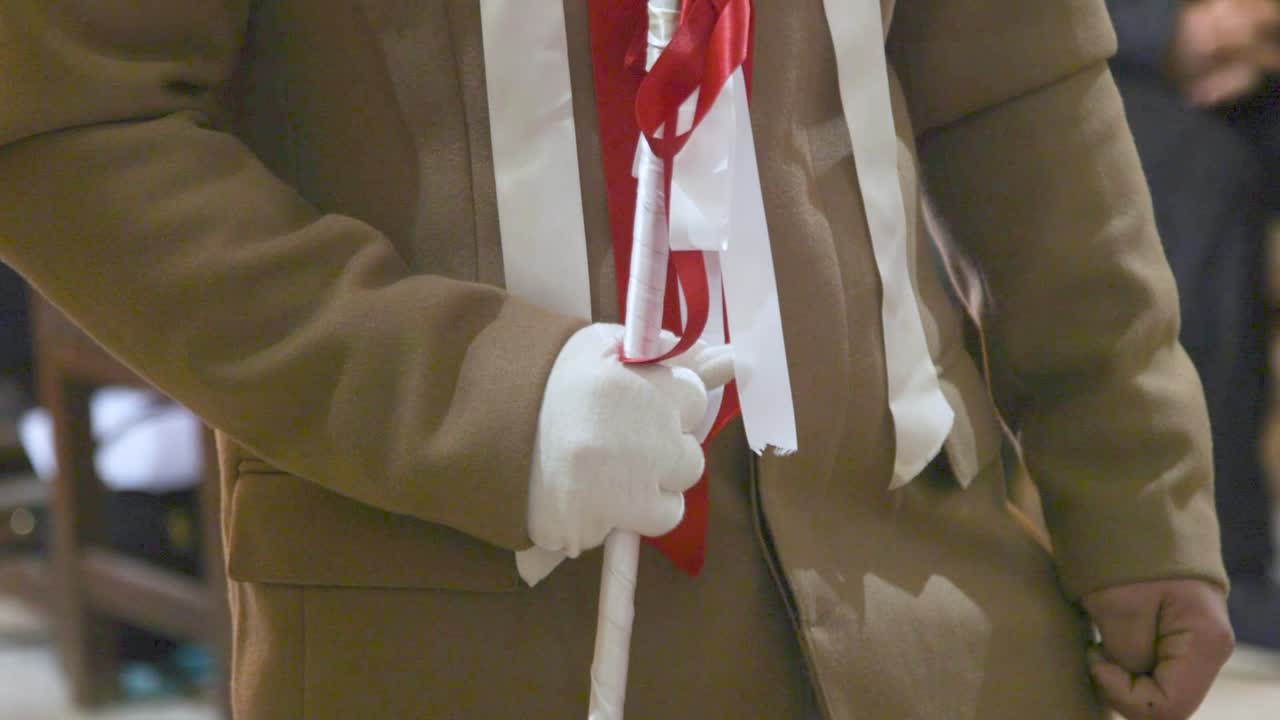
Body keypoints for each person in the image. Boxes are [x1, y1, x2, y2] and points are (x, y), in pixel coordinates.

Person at [0, 1, 1233, 718]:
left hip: (950, 618)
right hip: (460, 638)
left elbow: (1019, 82)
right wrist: (467, 395)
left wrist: (1134, 488)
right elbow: (60, 121)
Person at [1107, 0, 1280, 653]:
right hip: (1102, 62)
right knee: (1205, 178)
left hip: (1260, 62)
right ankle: (1219, 565)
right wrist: (1172, 30)